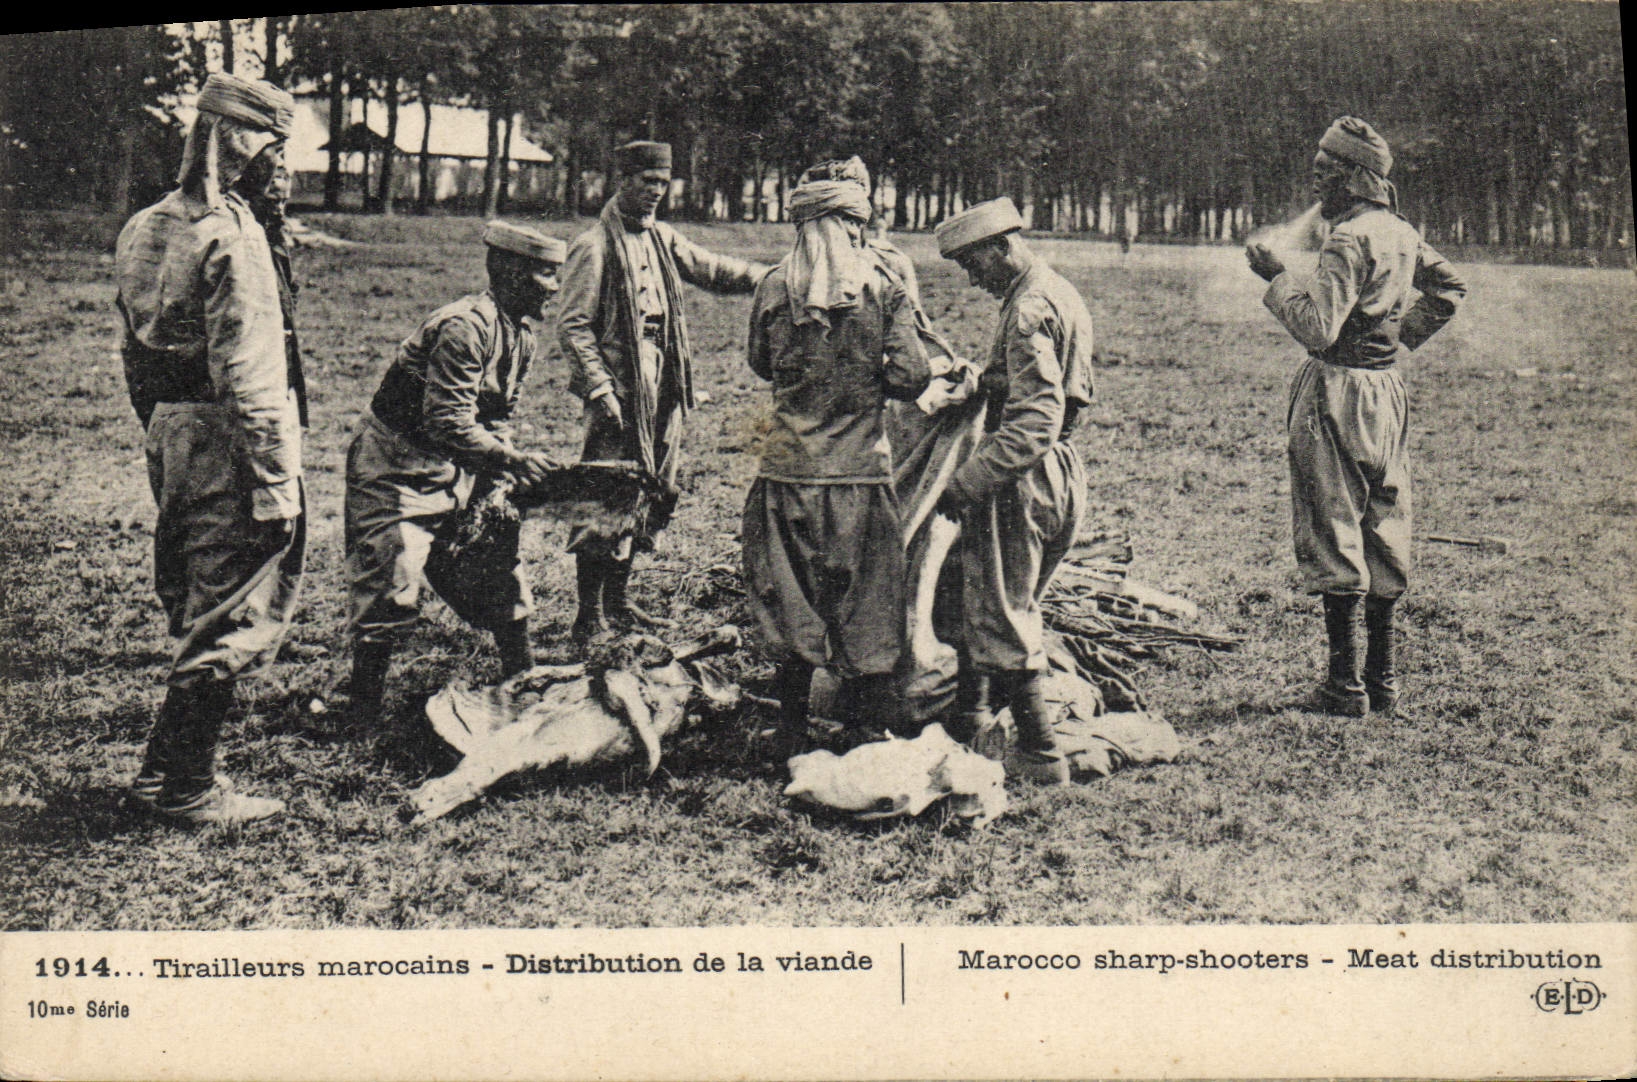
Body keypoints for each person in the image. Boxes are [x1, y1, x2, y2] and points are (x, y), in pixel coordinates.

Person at [114, 73, 303, 824]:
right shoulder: (234, 234)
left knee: (200, 596)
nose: (279, 169)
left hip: (171, 426)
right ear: (245, 147)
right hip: (228, 433)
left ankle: (163, 774)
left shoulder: (145, 225)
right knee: (230, 606)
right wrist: (276, 481)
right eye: (274, 152)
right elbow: (250, 371)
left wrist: (162, 431)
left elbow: (131, 351)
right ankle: (189, 787)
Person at [1246, 117, 1465, 717]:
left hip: (1337, 392)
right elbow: (1449, 289)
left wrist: (1277, 279)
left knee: (1333, 521)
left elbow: (1318, 330)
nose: (1317, 183)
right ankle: (1383, 680)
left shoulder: (1348, 239)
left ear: (1353, 178)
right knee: (1383, 521)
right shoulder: (1398, 230)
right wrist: (1394, 343)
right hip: (1385, 393)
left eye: (1326, 172)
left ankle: (1344, 686)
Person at [741, 157, 932, 760]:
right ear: (851, 223)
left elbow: (759, 363)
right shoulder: (883, 286)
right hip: (860, 472)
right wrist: (865, 379)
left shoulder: (774, 285)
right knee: (869, 598)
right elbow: (912, 375)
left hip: (788, 469)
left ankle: (793, 729)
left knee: (791, 598)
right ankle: (864, 729)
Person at [344, 222, 563, 729]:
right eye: (546, 275)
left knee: (495, 555)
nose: (555, 287)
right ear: (511, 273)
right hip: (395, 463)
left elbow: (498, 417)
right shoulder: (465, 327)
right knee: (390, 575)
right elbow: (446, 421)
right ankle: (359, 708)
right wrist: (508, 461)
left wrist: (498, 480)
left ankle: (522, 678)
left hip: (457, 464)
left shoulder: (520, 336)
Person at [556, 140, 771, 648]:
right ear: (622, 181)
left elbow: (715, 270)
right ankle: (588, 616)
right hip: (620, 387)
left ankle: (618, 601)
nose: (654, 192)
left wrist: (777, 278)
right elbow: (573, 327)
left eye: (662, 182)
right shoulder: (595, 246)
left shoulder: (662, 239)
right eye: (645, 181)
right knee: (608, 494)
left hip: (664, 382)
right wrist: (601, 389)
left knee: (657, 488)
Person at [933, 198, 1094, 785]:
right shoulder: (1056, 289)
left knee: (1004, 609)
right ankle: (970, 714)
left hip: (1020, 475)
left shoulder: (1026, 309)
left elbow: (1034, 420)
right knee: (989, 593)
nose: (972, 279)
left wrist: (967, 483)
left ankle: (1041, 751)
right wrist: (985, 378)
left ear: (1002, 246)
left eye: (974, 264)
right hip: (1057, 471)